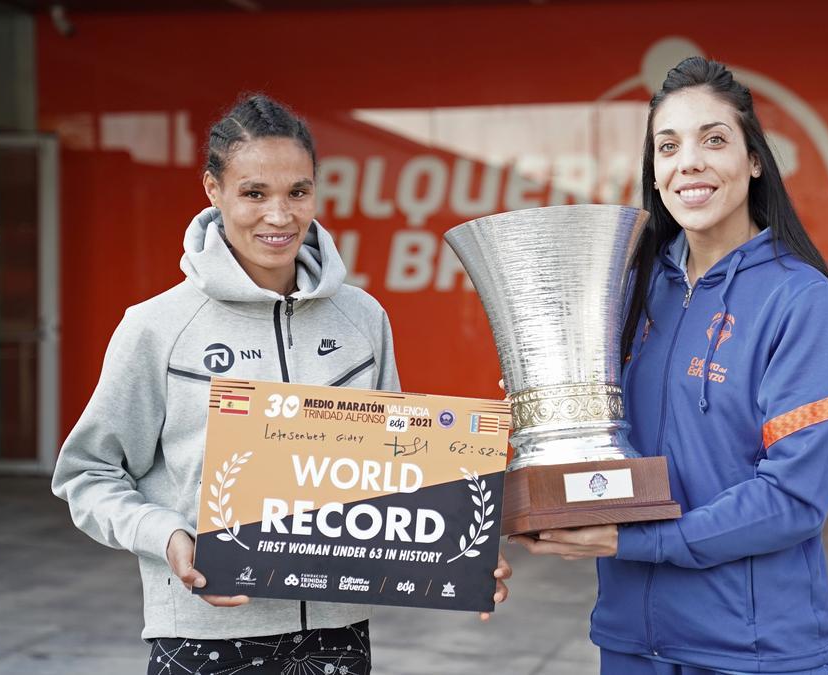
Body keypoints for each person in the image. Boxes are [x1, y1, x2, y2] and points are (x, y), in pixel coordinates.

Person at [52, 94, 510, 675]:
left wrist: (458, 554)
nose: (280, 215)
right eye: (253, 193)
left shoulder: (362, 317)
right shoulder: (157, 326)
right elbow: (87, 474)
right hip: (205, 634)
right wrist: (168, 537)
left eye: (298, 191)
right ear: (213, 191)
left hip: (337, 630)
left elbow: (399, 466)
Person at [514, 57, 828, 674]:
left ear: (755, 160)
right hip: (631, 644)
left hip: (756, 652)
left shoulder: (803, 301)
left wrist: (635, 541)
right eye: (667, 146)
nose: (688, 162)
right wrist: (528, 500)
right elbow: (587, 443)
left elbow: (793, 499)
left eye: (714, 140)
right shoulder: (626, 292)